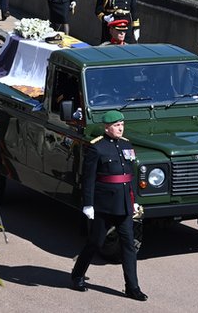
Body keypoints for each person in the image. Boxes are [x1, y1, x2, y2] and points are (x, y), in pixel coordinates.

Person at [70, 110, 146, 301]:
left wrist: (134, 200)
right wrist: (88, 204)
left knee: (128, 245)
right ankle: (78, 274)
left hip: (124, 204)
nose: (120, 128)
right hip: (104, 205)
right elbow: (88, 179)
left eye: (122, 124)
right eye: (116, 125)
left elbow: (130, 175)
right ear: (107, 127)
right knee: (96, 242)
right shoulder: (97, 148)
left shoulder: (127, 144)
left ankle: (132, 287)